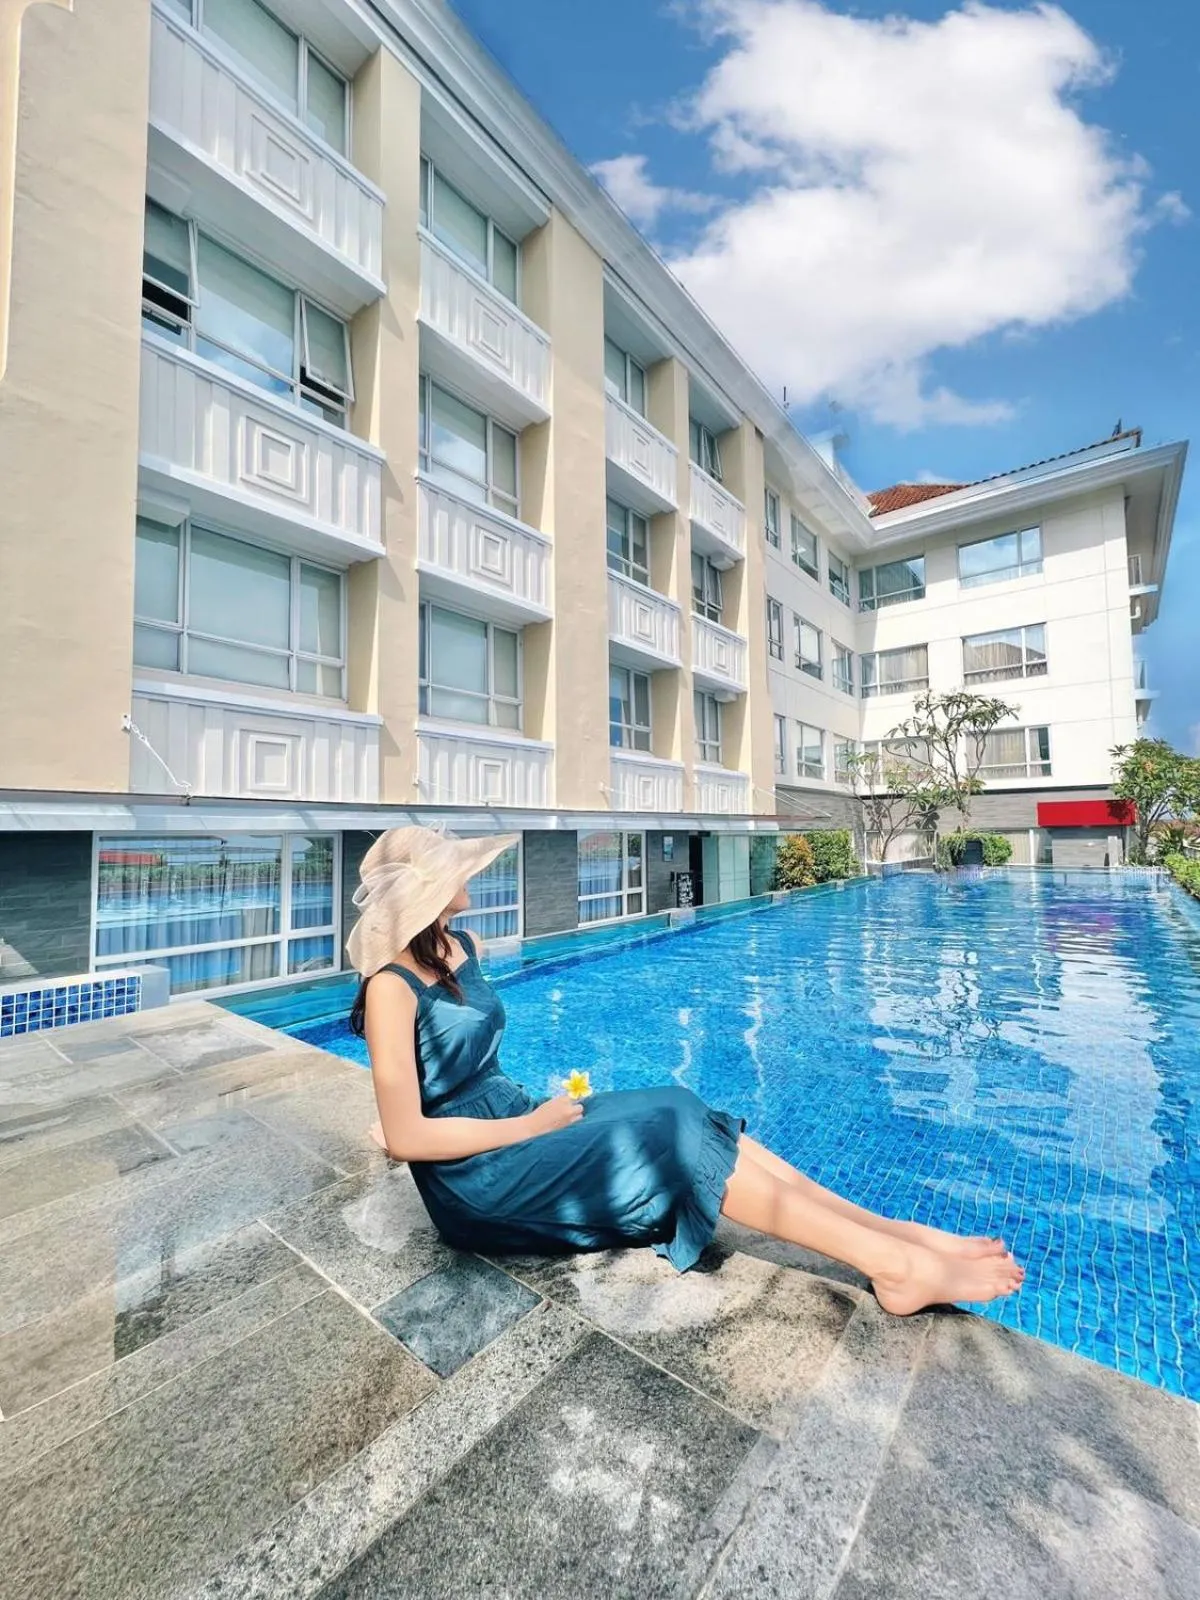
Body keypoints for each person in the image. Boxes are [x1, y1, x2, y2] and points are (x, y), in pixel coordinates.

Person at [348, 826, 1024, 1316]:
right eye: (455, 867)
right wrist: (528, 1123)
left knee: (680, 1103)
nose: (471, 873)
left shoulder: (463, 946)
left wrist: (526, 1113)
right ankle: (891, 1265)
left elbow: (430, 1084)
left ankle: (885, 1231)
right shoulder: (390, 987)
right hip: (481, 1182)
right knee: (667, 1133)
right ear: (429, 891)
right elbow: (410, 1135)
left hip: (518, 1121)